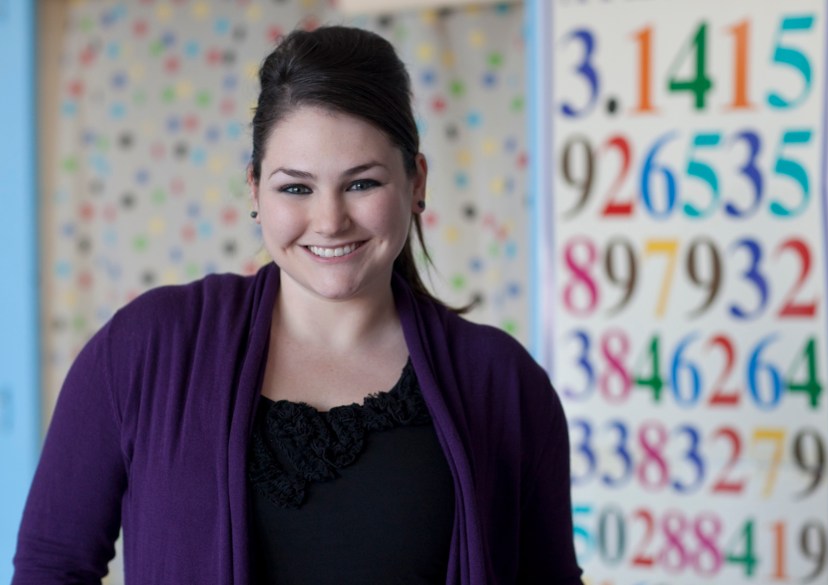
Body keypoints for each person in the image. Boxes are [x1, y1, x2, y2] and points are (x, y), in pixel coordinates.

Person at [12, 25, 581, 584]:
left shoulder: (504, 383)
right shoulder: (146, 348)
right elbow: (51, 567)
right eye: (296, 187)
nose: (329, 220)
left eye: (362, 184)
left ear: (417, 183)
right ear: (255, 189)